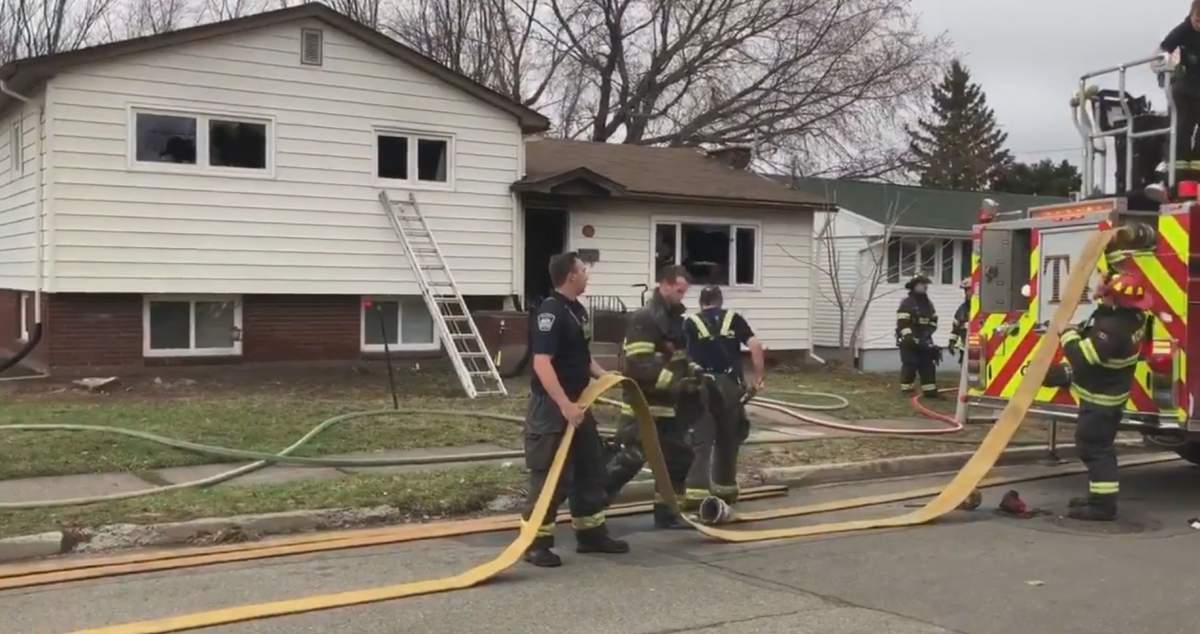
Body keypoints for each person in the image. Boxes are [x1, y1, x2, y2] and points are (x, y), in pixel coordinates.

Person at [522, 251, 629, 567]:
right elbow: (542, 364)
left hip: (578, 402)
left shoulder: (576, 311)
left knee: (589, 468)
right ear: (570, 275)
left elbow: (582, 357)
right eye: (583, 269)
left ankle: (591, 534)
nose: (587, 274)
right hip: (553, 408)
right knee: (552, 476)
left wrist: (604, 377)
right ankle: (536, 543)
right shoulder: (550, 312)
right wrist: (565, 405)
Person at [1043, 271, 1150, 522]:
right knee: (1097, 448)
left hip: (1101, 400)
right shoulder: (1134, 316)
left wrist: (1066, 333)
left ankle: (1102, 506)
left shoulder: (1113, 329)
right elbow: (1105, 317)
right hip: (1109, 394)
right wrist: (1104, 293)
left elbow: (1084, 358)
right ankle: (1096, 498)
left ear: (1116, 300)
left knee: (1094, 449)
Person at [604, 265, 703, 529]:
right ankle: (590, 507)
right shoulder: (645, 319)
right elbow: (639, 366)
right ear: (664, 285)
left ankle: (669, 513)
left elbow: (680, 358)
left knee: (679, 458)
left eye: (684, 292)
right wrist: (676, 384)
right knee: (630, 459)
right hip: (643, 407)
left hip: (670, 408)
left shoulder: (675, 321)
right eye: (679, 291)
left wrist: (694, 373)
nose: (682, 296)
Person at [682, 285, 766, 505]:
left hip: (701, 386)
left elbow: (682, 356)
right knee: (728, 439)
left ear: (701, 303)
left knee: (700, 440)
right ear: (720, 301)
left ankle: (696, 495)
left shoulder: (690, 323)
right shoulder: (734, 319)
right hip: (731, 387)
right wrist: (758, 378)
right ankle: (725, 491)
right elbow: (755, 346)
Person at [1161, 2, 1200, 167]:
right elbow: (1162, 52)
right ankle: (1177, 165)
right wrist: (1168, 65)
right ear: (1192, 15)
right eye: (1197, 20)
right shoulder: (1182, 31)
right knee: (1181, 127)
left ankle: (1197, 162)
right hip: (1183, 87)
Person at [896, 274, 942, 398]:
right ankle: (907, 389)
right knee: (910, 364)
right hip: (909, 341)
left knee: (927, 365)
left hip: (924, 340)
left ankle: (930, 391)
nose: (925, 286)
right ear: (914, 286)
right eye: (922, 284)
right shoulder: (907, 303)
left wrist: (927, 334)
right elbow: (902, 322)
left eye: (926, 284)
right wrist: (909, 336)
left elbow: (933, 321)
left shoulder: (928, 304)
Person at [947, 278, 973, 363]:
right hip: (964, 348)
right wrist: (952, 342)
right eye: (966, 291)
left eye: (970, 290)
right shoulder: (962, 309)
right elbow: (955, 328)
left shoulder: (983, 308)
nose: (968, 293)